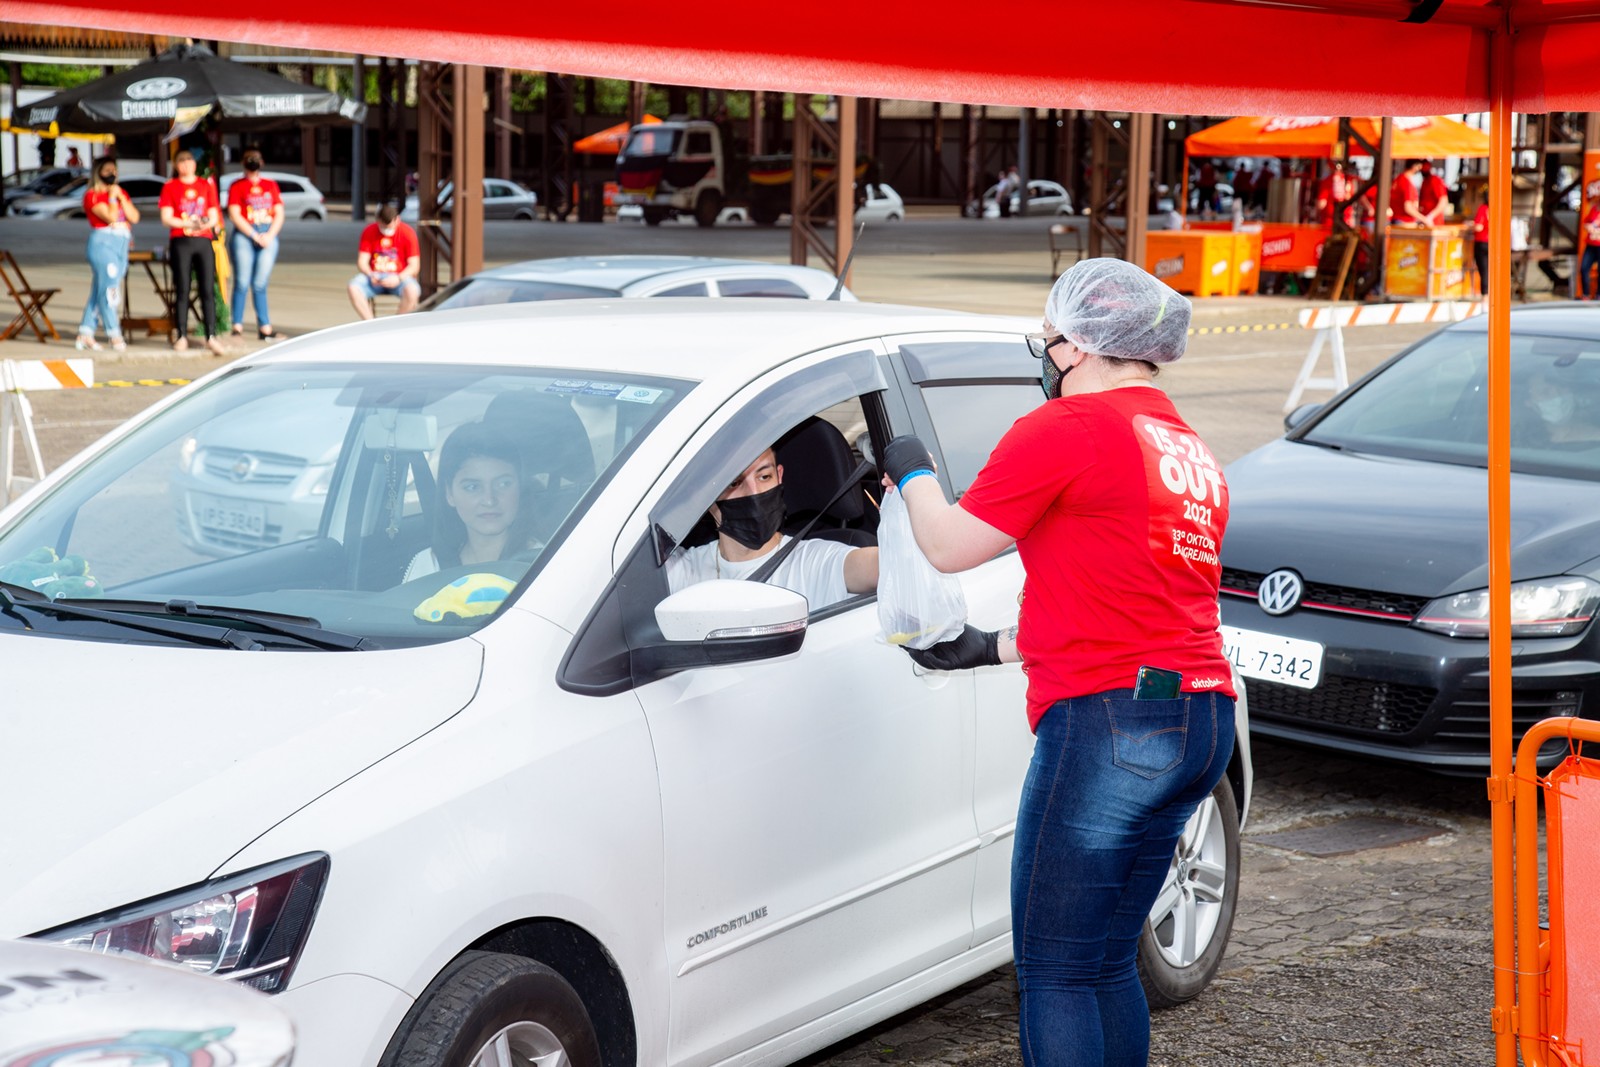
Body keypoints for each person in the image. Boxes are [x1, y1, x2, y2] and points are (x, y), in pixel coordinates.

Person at [881, 257, 1235, 1067]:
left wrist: (910, 471)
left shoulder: (1067, 428)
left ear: (1075, 346)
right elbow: (1126, 591)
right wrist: (999, 645)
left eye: (1047, 342)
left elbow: (947, 545)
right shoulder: (1187, 450)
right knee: (1107, 959)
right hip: (1200, 716)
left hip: (1111, 724)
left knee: (1056, 971)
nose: (1045, 357)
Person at [665, 446, 877, 611]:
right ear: (706, 494)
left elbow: (895, 564)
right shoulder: (683, 570)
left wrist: (910, 482)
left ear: (779, 476)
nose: (754, 492)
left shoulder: (816, 562)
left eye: (764, 477)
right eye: (734, 482)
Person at [404, 421, 541, 583]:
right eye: (472, 487)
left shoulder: (548, 563)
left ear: (520, 487)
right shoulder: (428, 567)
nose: (489, 500)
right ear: (449, 494)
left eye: (503, 484)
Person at [158, 149, 226, 356]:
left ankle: (211, 335)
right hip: (181, 240)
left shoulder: (205, 185)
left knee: (207, 289)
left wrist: (204, 223)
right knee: (183, 289)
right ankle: (181, 335)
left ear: (195, 163)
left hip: (203, 240)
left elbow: (214, 214)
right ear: (176, 165)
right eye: (182, 161)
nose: (186, 164)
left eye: (189, 160)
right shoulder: (171, 187)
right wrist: (187, 222)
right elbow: (166, 217)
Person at [75, 156, 138, 353]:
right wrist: (111, 198)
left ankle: (85, 332)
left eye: (114, 169)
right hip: (103, 244)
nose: (112, 174)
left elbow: (134, 216)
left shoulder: (121, 193)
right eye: (107, 170)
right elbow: (110, 216)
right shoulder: (92, 195)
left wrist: (119, 197)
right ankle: (114, 334)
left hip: (121, 243)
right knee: (110, 291)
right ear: (98, 172)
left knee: (99, 290)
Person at [226, 147, 285, 341]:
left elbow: (279, 213)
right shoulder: (237, 186)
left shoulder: (270, 185)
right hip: (245, 234)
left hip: (267, 233)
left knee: (260, 283)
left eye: (256, 158)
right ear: (243, 163)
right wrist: (253, 234)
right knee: (242, 281)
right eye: (249, 159)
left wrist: (269, 235)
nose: (253, 162)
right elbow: (234, 214)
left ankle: (265, 327)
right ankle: (237, 326)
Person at [348, 203, 421, 318]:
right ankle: (370, 323)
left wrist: (399, 278)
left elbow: (414, 266)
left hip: (399, 277)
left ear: (397, 220)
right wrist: (370, 274)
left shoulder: (407, 233)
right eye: (383, 227)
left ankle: (397, 324)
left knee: (413, 291)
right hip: (374, 276)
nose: (387, 230)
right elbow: (362, 261)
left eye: (390, 227)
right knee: (353, 286)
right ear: (378, 221)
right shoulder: (369, 231)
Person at [1315, 161, 1357, 227]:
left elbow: (1321, 203)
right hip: (1346, 220)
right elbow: (1351, 197)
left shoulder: (1327, 181)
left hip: (1329, 220)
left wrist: (1316, 213)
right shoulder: (1349, 180)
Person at [1390, 158, 1428, 226]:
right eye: (1419, 166)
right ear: (1414, 166)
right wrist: (1424, 219)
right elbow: (1408, 208)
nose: (1420, 169)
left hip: (1397, 219)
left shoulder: (1398, 179)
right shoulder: (1406, 183)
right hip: (1405, 221)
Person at [1418, 161, 1451, 225]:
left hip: (1434, 221)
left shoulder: (1435, 180)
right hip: (1424, 219)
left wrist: (1431, 216)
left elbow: (1444, 201)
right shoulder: (1425, 182)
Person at [1579, 199, 1600, 300]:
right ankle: (1586, 294)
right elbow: (1585, 223)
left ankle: (1598, 295)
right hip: (1591, 244)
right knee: (1583, 268)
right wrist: (1589, 227)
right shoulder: (1595, 209)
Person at [1472, 194, 1491, 298]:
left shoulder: (1483, 208)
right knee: (1491, 271)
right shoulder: (1497, 209)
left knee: (1484, 271)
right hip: (1492, 243)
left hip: (1481, 242)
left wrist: (1471, 225)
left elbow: (1478, 227)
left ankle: (1485, 297)